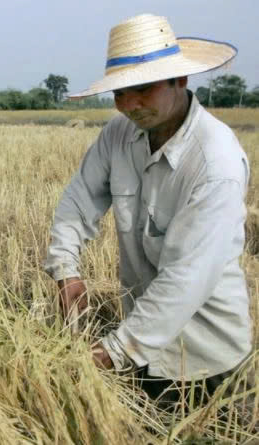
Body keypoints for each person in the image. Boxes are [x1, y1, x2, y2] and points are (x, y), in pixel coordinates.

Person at [44, 14, 255, 409]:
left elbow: (185, 280)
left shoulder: (215, 164)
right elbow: (79, 199)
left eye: (142, 88)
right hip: (143, 350)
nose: (130, 105)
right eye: (119, 93)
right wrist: (66, 270)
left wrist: (112, 351)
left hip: (205, 365)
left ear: (181, 80)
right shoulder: (118, 134)